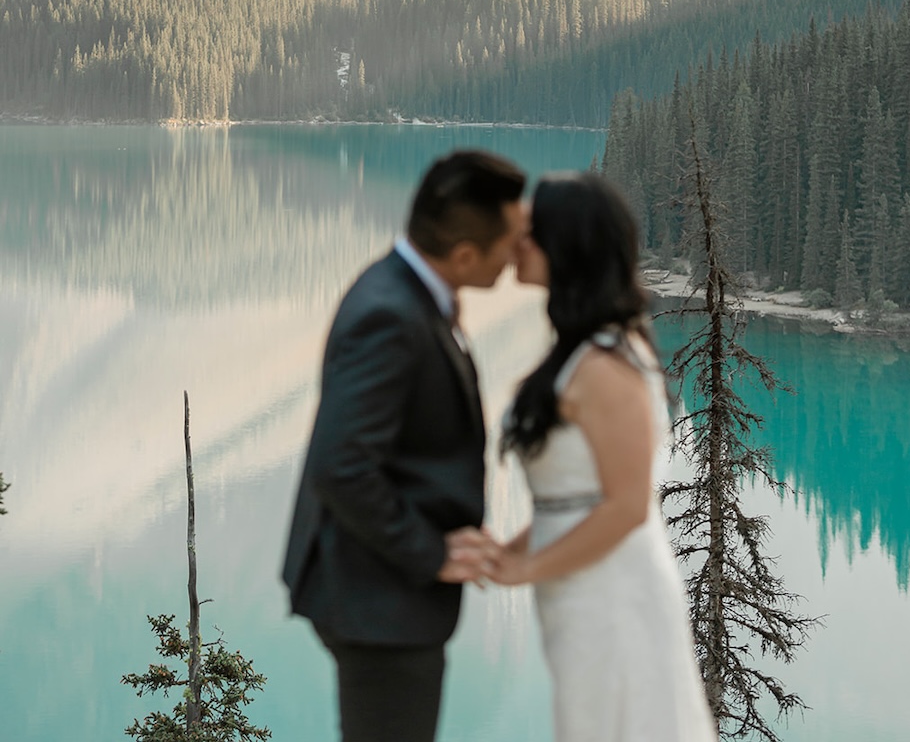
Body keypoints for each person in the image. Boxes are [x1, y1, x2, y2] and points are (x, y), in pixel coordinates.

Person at [281, 149, 528, 742]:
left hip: (382, 590)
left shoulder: (407, 291)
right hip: (378, 599)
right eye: (512, 241)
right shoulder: (391, 315)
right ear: (466, 255)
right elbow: (340, 467)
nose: (520, 253)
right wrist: (431, 552)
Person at [492, 171, 717, 742]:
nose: (515, 242)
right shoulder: (582, 351)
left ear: (565, 247)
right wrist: (506, 552)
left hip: (615, 596)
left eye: (530, 232)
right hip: (579, 591)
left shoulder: (608, 364)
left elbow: (625, 506)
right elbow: (573, 493)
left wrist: (526, 567)